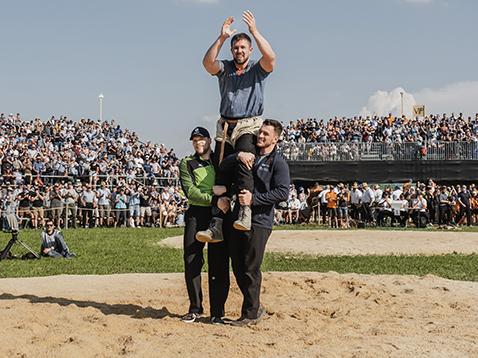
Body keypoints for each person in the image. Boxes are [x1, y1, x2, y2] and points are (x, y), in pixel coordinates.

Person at [202, 10, 276, 235]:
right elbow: (207, 63)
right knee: (221, 168)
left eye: (243, 47)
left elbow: (271, 58)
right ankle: (217, 222)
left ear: (250, 50)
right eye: (235, 48)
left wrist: (255, 31)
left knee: (245, 162)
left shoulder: (257, 68)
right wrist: (221, 38)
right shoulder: (225, 68)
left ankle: (245, 211)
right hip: (225, 124)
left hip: (248, 124)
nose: (239, 51)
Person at [225, 119, 290, 326]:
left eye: (265, 134)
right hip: (240, 218)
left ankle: (250, 314)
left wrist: (254, 200)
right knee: (237, 263)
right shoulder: (251, 158)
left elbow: (282, 192)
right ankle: (255, 305)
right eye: (260, 133)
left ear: (275, 138)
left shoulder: (277, 162)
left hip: (260, 221)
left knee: (250, 267)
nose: (260, 136)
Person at [179, 127, 230, 324]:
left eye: (201, 139)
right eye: (194, 140)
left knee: (218, 263)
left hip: (218, 215)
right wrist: (213, 199)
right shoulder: (187, 163)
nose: (198, 143)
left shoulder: (220, 159)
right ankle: (195, 307)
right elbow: (190, 192)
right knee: (192, 260)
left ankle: (218, 311)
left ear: (209, 140)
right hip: (197, 214)